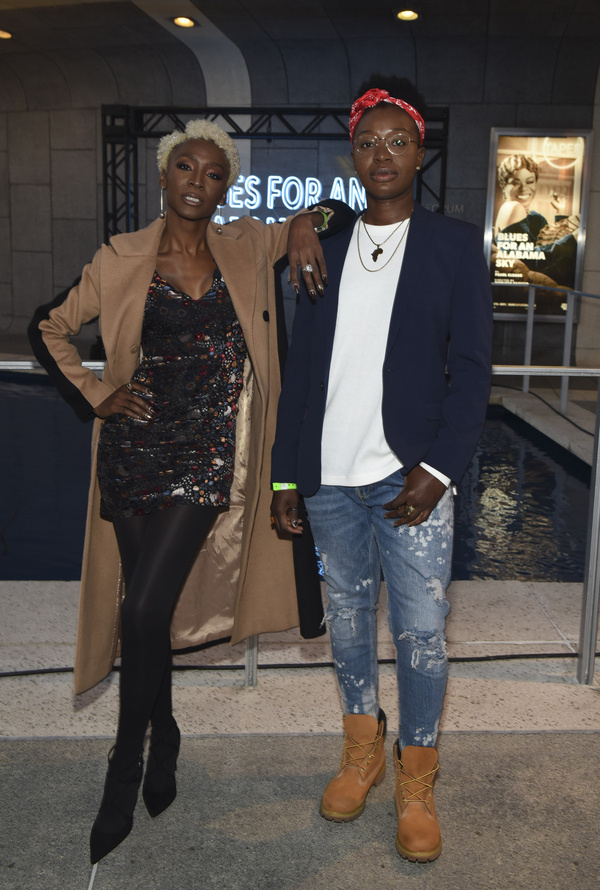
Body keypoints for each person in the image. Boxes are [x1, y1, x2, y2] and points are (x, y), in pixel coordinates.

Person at [28, 119, 349, 871]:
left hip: (211, 457)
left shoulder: (248, 245)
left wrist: (303, 222)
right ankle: (164, 726)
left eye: (212, 173)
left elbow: (341, 210)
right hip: (136, 450)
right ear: (164, 176)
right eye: (184, 169)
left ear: (225, 185)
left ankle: (125, 765)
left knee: (140, 610)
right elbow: (49, 327)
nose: (197, 183)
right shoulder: (123, 256)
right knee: (149, 616)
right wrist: (97, 393)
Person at [271, 86, 493, 862]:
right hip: (330, 481)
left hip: (411, 481)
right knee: (350, 632)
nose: (382, 155)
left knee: (424, 635)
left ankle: (418, 775)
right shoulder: (323, 244)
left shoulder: (456, 245)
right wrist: (283, 476)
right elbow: (302, 374)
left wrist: (438, 467)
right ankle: (362, 752)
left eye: (397, 141)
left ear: (419, 152)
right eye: (368, 143)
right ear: (353, 156)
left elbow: (471, 373)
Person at [493, 153, 578, 287]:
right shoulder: (512, 207)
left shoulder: (536, 217)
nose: (524, 188)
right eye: (515, 183)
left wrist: (560, 213)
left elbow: (547, 246)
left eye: (530, 181)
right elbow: (530, 263)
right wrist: (573, 239)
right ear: (504, 186)